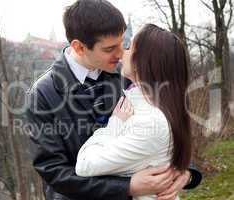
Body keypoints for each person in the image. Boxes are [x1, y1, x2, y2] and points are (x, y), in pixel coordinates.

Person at [25, 1, 202, 200]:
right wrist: (126, 187)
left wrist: (185, 172)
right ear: (79, 47)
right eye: (110, 49)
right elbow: (54, 171)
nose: (120, 54)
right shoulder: (43, 94)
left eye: (122, 44)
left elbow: (163, 128)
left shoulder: (131, 73)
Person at [75, 24, 194, 200]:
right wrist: (128, 186)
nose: (122, 53)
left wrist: (115, 122)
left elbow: (84, 164)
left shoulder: (150, 120)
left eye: (129, 47)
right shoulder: (156, 102)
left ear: (143, 62)